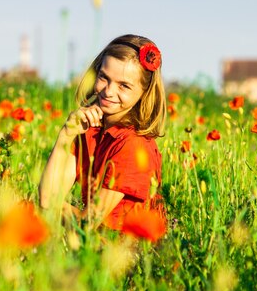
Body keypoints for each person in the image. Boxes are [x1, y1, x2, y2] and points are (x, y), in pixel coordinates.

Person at [39, 34, 167, 231]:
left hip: (128, 254)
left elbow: (85, 223)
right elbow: (47, 198)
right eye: (104, 78)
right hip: (94, 248)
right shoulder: (89, 130)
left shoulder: (133, 144)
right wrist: (66, 134)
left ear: (144, 91)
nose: (108, 91)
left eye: (124, 85)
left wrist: (50, 206)